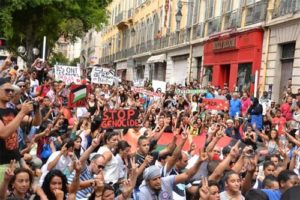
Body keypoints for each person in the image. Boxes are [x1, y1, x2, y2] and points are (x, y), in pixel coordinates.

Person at [0, 77, 41, 180]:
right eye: (7, 90)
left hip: (16, 160)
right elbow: (3, 133)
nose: (10, 93)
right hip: (2, 164)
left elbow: (36, 122)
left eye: (12, 91)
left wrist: (37, 109)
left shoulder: (11, 111)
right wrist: (22, 112)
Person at [138, 148, 207, 199]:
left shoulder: (166, 181)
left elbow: (187, 175)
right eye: (154, 179)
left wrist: (199, 162)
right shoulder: (144, 193)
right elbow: (173, 158)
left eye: (159, 178)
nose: (159, 181)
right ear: (147, 181)